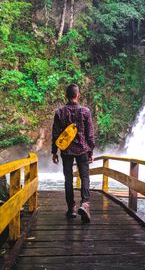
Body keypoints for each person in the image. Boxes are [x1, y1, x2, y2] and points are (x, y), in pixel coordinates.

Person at [51, 84, 95, 223]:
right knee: (85, 177)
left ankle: (71, 208)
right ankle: (85, 204)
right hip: (82, 149)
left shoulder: (60, 112)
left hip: (66, 151)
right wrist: (91, 151)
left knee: (68, 179)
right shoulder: (85, 111)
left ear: (66, 95)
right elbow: (90, 134)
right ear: (78, 95)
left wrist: (54, 151)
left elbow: (56, 133)